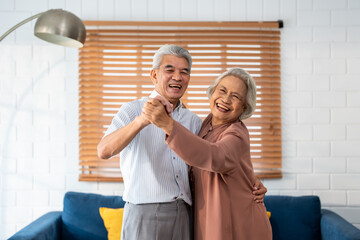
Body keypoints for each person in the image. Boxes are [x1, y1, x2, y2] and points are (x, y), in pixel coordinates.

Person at [97, 45, 267, 240]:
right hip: (144, 213)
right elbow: (104, 150)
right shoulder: (132, 110)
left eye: (184, 72)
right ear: (154, 75)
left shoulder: (194, 121)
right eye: (169, 70)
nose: (177, 77)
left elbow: (210, 155)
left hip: (186, 213)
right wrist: (142, 120)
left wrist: (250, 180)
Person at [143, 67, 272, 240]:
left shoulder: (236, 134)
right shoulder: (208, 123)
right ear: (212, 92)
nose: (225, 99)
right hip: (211, 218)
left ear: (244, 107)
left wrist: (168, 125)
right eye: (222, 91)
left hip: (241, 225)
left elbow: (215, 156)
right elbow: (197, 146)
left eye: (235, 97)